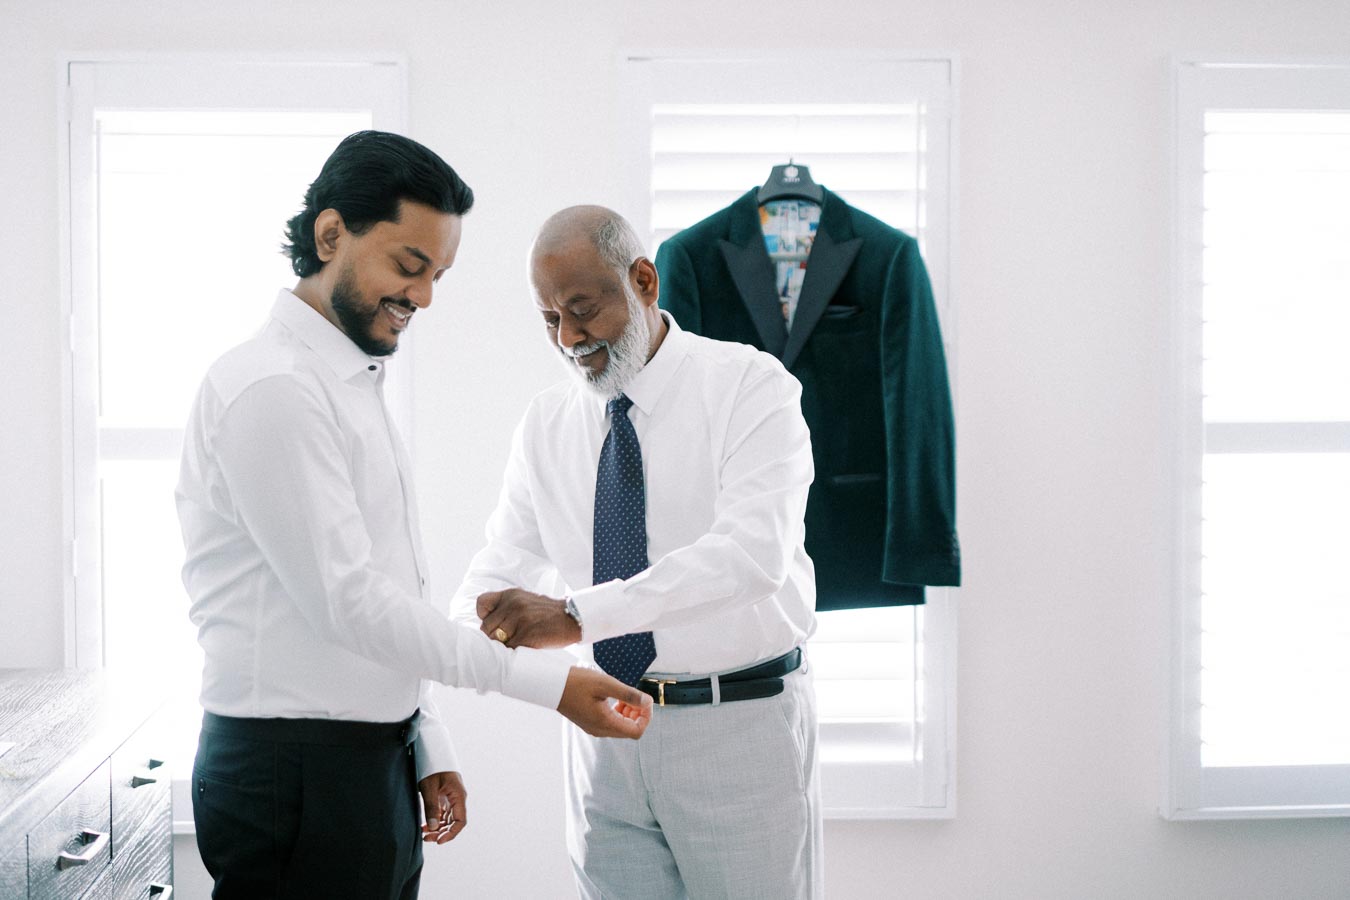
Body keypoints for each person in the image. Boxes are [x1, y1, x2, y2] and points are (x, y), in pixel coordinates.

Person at [175, 133, 650, 900]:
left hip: (360, 764)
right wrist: (551, 684)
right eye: (408, 265)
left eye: (438, 274)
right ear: (331, 235)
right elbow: (349, 604)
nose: (425, 296)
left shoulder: (346, 381)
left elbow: (385, 587)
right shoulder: (273, 390)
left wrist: (422, 735)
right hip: (295, 773)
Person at [450, 205, 822, 899]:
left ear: (643, 280)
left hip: (738, 728)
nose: (568, 337)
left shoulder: (750, 386)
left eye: (583, 309)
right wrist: (465, 630)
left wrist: (576, 616)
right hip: (601, 739)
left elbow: (751, 556)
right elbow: (500, 564)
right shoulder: (546, 424)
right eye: (549, 320)